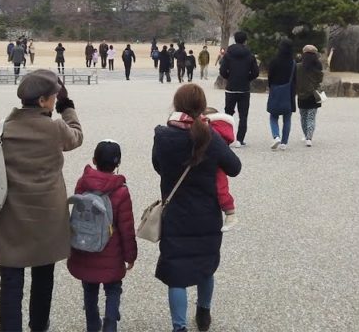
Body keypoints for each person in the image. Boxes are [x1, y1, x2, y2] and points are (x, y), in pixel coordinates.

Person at [0, 70, 83, 332]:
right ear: (42, 101)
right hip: (46, 216)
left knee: (11, 283)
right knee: (43, 278)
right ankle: (39, 326)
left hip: (10, 214)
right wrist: (68, 108)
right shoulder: (55, 128)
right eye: (53, 98)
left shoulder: (1, 128)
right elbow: (76, 136)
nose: (54, 101)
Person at [153, 84, 242, 332]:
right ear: (202, 106)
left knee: (176, 274)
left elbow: (158, 166)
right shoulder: (209, 136)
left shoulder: (163, 135)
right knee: (205, 266)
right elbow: (234, 167)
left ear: (177, 104)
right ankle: (203, 314)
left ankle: (179, 327)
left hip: (176, 215)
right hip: (206, 215)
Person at [67, 141, 137, 332]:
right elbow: (126, 228)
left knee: (89, 290)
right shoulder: (121, 190)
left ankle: (92, 325)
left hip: (84, 247)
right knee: (113, 289)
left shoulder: (83, 183)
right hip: (111, 251)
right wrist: (130, 256)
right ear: (118, 163)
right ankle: (110, 325)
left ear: (94, 160)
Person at [219, 31, 259, 147]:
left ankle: (227, 138)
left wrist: (229, 78)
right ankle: (240, 139)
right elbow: (256, 72)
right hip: (244, 89)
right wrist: (247, 78)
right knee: (243, 115)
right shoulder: (250, 55)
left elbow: (222, 71)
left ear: (235, 40)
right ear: (245, 40)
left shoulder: (228, 54)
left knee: (228, 114)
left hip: (231, 88)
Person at [201, 108, 238, 231]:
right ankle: (230, 213)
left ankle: (230, 213)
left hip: (211, 165)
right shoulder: (224, 129)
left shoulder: (210, 131)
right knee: (222, 186)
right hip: (219, 162)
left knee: (220, 186)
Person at [266, 40, 297, 151]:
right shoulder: (293, 63)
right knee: (287, 118)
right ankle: (284, 142)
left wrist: (271, 87)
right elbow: (295, 80)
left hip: (275, 90)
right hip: (288, 92)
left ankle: (276, 136)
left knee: (273, 116)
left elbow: (270, 76)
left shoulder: (274, 61)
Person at [295, 45, 324, 147]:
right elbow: (320, 80)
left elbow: (295, 81)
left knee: (303, 116)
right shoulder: (318, 66)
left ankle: (305, 134)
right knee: (311, 117)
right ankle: (309, 137)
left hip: (302, 94)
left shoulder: (298, 66)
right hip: (314, 94)